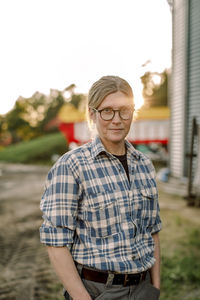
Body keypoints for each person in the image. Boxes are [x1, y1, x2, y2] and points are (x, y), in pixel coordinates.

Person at [40, 75, 162, 300]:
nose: (116, 119)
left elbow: (152, 231)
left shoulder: (144, 164)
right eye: (107, 110)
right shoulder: (71, 166)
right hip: (98, 291)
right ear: (92, 114)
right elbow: (56, 244)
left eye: (124, 110)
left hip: (144, 289)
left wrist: (155, 287)